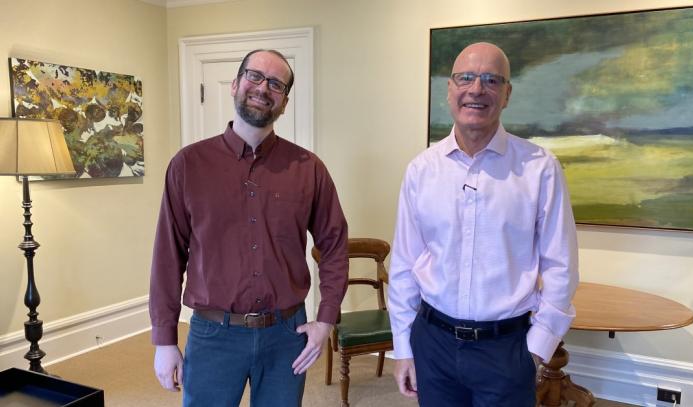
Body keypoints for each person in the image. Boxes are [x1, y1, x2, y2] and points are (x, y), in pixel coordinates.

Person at [149, 49, 348, 407]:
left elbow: (334, 244)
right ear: (235, 84)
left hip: (286, 334)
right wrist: (164, 339)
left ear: (284, 102)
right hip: (213, 335)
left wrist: (326, 320)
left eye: (276, 84)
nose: (263, 88)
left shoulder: (308, 169)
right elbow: (168, 255)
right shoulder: (188, 165)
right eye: (255, 76)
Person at [388, 42, 579, 406]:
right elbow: (404, 265)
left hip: (506, 350)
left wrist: (536, 349)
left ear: (507, 94)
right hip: (433, 344)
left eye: (491, 80)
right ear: (449, 89)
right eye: (466, 78)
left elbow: (561, 267)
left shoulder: (540, 169)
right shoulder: (421, 170)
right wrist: (403, 347)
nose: (476, 89)